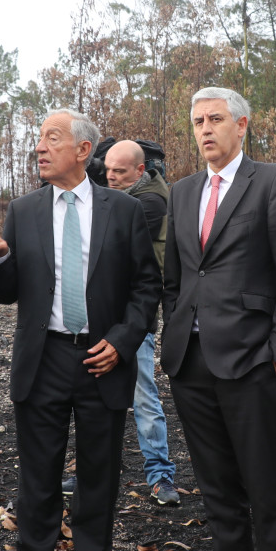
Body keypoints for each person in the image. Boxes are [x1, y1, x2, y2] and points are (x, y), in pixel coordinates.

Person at [0, 110, 159, 551]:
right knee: (39, 482)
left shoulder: (124, 210)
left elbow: (147, 287)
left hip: (103, 360)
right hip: (44, 360)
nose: (40, 147)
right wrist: (0, 259)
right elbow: (7, 293)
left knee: (99, 480)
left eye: (51, 138)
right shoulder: (23, 210)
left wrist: (122, 341)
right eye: (39, 139)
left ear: (83, 150)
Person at [160, 87, 276, 551]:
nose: (205, 129)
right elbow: (176, 278)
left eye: (216, 119)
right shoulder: (182, 192)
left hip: (251, 362)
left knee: (265, 493)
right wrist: (175, 331)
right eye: (198, 120)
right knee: (218, 493)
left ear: (242, 125)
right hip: (191, 364)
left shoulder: (272, 182)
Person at [104, 138, 180, 506]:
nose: (110, 177)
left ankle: (161, 475)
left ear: (140, 170)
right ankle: (93, 471)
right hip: (106, 314)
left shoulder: (150, 201)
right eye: (107, 170)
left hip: (135, 319)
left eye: (119, 171)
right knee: (95, 401)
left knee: (144, 398)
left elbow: (111, 244)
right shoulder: (124, 195)